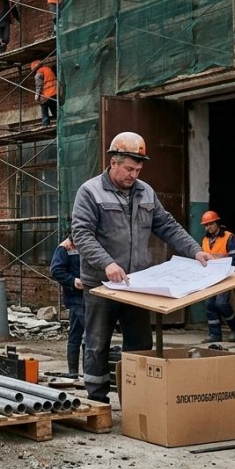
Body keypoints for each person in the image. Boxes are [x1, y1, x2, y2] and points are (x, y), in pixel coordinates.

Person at [70, 131, 212, 403]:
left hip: (136, 285)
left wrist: (195, 250)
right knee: (97, 343)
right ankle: (97, 400)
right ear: (113, 162)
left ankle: (136, 401)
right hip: (101, 285)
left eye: (138, 169)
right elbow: (82, 235)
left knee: (140, 345)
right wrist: (107, 263)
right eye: (128, 168)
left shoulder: (145, 192)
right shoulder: (90, 192)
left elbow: (167, 226)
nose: (133, 174)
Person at [200, 210, 235, 343]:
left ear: (217, 223)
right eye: (206, 225)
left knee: (221, 304)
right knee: (210, 305)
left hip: (225, 276)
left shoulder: (229, 237)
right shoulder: (205, 240)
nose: (208, 227)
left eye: (210, 224)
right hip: (211, 277)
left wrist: (228, 273)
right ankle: (214, 334)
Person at [49, 237, 85, 378]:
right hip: (75, 297)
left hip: (88, 296)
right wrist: (72, 281)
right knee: (91, 334)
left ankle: (74, 372)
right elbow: (56, 270)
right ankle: (86, 372)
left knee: (75, 334)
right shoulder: (65, 248)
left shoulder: (87, 245)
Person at [31, 60, 59, 127]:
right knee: (54, 109)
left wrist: (37, 95)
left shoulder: (39, 73)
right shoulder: (48, 69)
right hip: (55, 92)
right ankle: (59, 121)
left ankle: (45, 124)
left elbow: (39, 85)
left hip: (47, 94)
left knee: (44, 108)